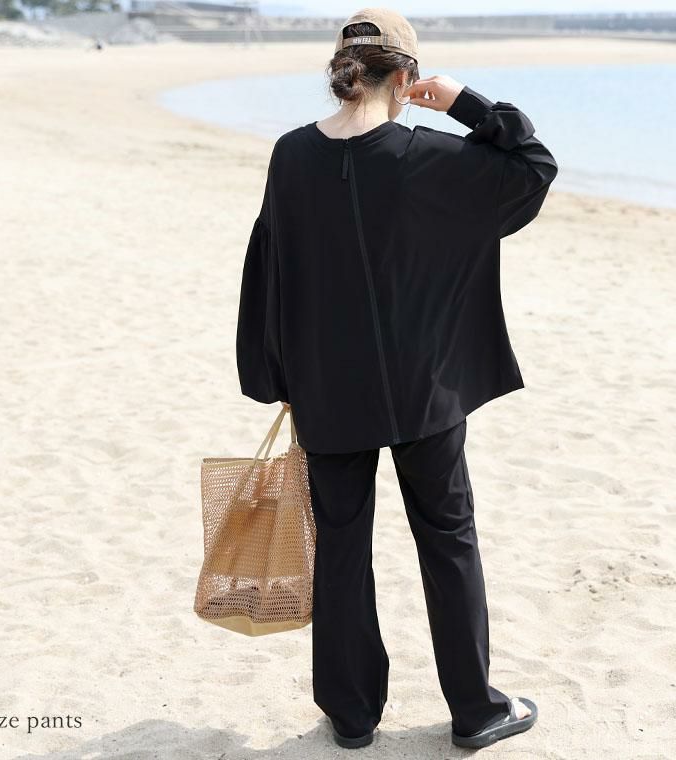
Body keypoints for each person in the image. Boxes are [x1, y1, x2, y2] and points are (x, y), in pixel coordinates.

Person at [235, 6, 558, 751]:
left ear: (340, 72)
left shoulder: (291, 155)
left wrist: (272, 374)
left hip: (327, 391)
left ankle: (352, 718)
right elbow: (533, 167)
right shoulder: (433, 158)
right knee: (448, 540)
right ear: (407, 76)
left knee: (342, 547)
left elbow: (270, 268)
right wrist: (467, 103)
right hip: (425, 393)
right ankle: (476, 710)